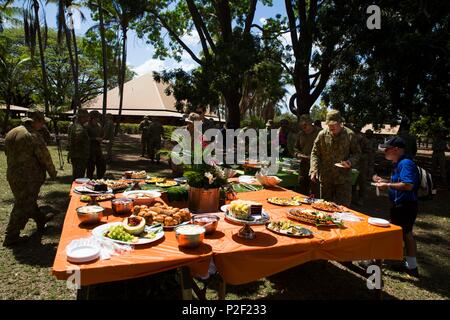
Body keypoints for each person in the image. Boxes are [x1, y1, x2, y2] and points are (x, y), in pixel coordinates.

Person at [3, 108, 57, 247]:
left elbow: (7, 153)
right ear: (36, 122)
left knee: (27, 200)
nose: (43, 125)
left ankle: (40, 219)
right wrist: (52, 172)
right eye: (42, 122)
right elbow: (44, 156)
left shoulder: (13, 132)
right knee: (23, 204)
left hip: (13, 174)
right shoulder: (32, 135)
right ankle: (11, 235)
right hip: (29, 177)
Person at [373, 136, 420, 277]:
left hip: (405, 206)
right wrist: (384, 182)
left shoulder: (405, 163)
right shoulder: (399, 163)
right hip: (402, 206)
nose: (385, 152)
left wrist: (386, 185)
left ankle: (375, 262)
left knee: (395, 233)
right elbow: (399, 183)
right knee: (406, 234)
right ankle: (411, 266)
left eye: (387, 149)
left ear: (396, 149)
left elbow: (408, 184)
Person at [310, 110, 361, 206]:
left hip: (343, 180)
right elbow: (315, 153)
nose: (331, 127)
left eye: (334, 124)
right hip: (326, 179)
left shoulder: (349, 135)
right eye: (329, 124)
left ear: (340, 123)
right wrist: (314, 169)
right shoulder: (322, 135)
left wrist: (350, 162)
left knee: (343, 210)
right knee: (324, 208)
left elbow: (357, 154)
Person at [295, 115, 321, 197]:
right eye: (302, 125)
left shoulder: (320, 133)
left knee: (315, 191)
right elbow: (295, 148)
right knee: (302, 190)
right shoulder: (300, 134)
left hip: (317, 166)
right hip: (304, 165)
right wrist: (298, 154)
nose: (304, 127)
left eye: (305, 125)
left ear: (311, 123)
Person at [68, 109, 90, 180]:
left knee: (78, 175)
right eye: (86, 117)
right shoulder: (79, 127)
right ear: (82, 117)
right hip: (79, 156)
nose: (88, 118)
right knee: (78, 177)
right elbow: (76, 140)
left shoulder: (78, 126)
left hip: (78, 155)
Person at [352, 125, 371, 206]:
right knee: (352, 182)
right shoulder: (351, 138)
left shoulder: (364, 140)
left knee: (362, 182)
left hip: (362, 164)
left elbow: (368, 152)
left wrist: (359, 157)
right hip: (353, 164)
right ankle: (352, 197)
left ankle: (361, 198)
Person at [86, 110, 106, 179]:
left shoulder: (98, 125)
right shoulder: (87, 126)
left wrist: (102, 137)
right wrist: (95, 138)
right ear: (92, 117)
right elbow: (86, 138)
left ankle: (99, 179)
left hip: (98, 148)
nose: (98, 118)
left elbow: (102, 134)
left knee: (101, 164)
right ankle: (89, 179)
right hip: (90, 148)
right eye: (97, 117)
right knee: (91, 166)